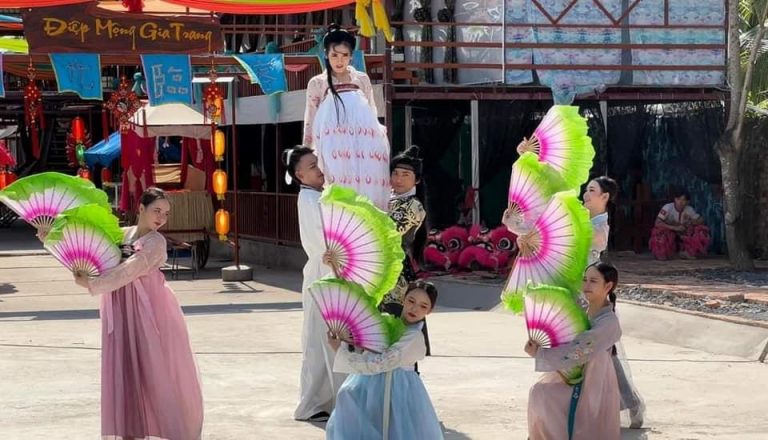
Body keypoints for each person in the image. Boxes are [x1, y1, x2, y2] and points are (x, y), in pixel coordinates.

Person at [74, 187, 203, 440]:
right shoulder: (123, 234)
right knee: (124, 365)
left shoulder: (156, 242)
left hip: (150, 308)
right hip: (121, 304)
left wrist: (92, 284)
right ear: (141, 208)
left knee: (155, 366)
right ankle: (129, 430)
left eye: (165, 213)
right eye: (157, 211)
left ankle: (171, 428)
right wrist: (51, 238)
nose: (161, 218)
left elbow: (128, 271)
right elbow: (93, 250)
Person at [326, 281, 444, 440]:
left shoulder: (414, 337)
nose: (415, 309)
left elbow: (381, 363)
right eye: (411, 301)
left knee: (394, 430)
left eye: (423, 306)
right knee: (348, 399)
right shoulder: (386, 322)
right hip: (369, 384)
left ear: (430, 311)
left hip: (398, 389)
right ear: (403, 299)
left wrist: (339, 351)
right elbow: (368, 351)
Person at [525, 263, 622, 440]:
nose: (586, 285)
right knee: (539, 392)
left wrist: (540, 354)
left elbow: (580, 349)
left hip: (592, 380)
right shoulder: (580, 310)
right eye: (585, 280)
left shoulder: (609, 322)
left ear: (608, 286)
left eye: (593, 281)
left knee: (550, 398)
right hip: (569, 371)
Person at [285, 147, 347, 422]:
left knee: (327, 338)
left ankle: (327, 401)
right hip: (324, 273)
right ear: (300, 175)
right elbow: (323, 243)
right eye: (312, 166)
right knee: (322, 339)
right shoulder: (309, 199)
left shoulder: (319, 195)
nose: (319, 169)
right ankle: (315, 403)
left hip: (330, 271)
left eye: (318, 163)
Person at [303, 24, 390, 211]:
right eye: (334, 55)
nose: (339, 60)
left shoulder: (362, 79)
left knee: (365, 194)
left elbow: (371, 112)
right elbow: (310, 118)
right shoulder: (317, 83)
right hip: (332, 147)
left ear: (351, 56)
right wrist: (307, 151)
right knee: (338, 195)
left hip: (361, 146)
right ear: (326, 55)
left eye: (344, 55)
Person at [649, 189, 710, 260]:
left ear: (687, 202)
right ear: (674, 199)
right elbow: (657, 222)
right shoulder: (667, 207)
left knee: (701, 230)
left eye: (683, 200)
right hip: (669, 233)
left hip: (683, 235)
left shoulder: (689, 209)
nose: (680, 202)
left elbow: (701, 220)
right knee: (658, 231)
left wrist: (691, 223)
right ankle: (662, 253)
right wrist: (675, 228)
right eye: (678, 199)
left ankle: (688, 253)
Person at [582, 176, 618, 265]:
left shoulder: (600, 230)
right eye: (586, 190)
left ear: (605, 196)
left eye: (591, 190)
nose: (585, 195)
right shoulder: (586, 221)